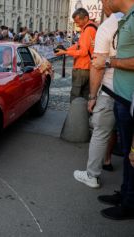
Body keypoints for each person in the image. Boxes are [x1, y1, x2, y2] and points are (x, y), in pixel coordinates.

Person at [73, 0, 123, 189]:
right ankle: (112, 167)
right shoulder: (118, 23)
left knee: (101, 131)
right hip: (126, 91)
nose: (102, 5)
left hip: (110, 89)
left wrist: (93, 96)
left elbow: (97, 63)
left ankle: (92, 175)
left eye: (104, 2)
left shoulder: (107, 25)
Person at [93, 0, 134, 220]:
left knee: (132, 154)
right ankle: (126, 193)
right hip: (124, 96)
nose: (104, 1)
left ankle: (129, 202)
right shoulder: (127, 17)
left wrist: (110, 61)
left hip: (130, 99)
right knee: (128, 154)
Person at [55, 8, 97, 102]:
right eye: (75, 22)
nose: (77, 25)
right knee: (85, 95)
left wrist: (65, 52)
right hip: (87, 67)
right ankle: (83, 115)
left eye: (78, 21)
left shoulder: (88, 30)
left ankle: (75, 115)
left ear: (85, 18)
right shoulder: (89, 28)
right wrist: (66, 49)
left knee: (76, 95)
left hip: (82, 68)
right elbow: (78, 45)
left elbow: (83, 52)